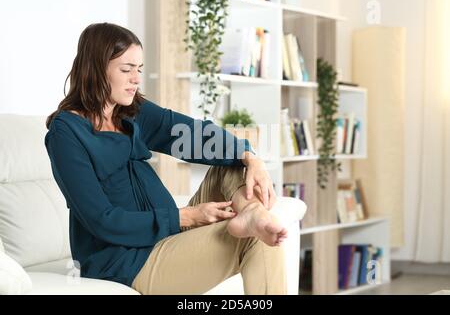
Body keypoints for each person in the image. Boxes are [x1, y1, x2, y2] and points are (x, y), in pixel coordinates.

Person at [45, 22, 288, 295]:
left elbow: (194, 135)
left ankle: (252, 213)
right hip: (128, 261)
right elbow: (101, 220)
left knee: (231, 162)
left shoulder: (131, 111)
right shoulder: (66, 134)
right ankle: (253, 219)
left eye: (138, 69)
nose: (136, 79)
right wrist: (186, 217)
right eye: (126, 70)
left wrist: (250, 157)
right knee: (257, 239)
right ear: (95, 69)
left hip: (170, 236)